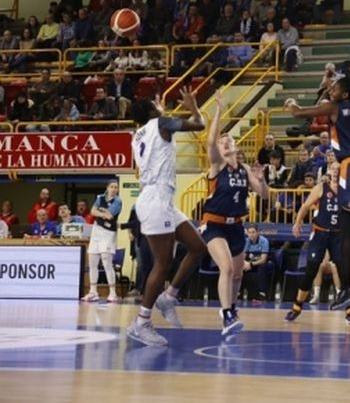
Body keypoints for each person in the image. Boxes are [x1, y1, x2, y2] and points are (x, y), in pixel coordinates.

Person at [284, 73, 350, 314]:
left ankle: (346, 289)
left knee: (345, 230)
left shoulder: (335, 106)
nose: (331, 89)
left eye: (335, 88)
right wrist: (334, 88)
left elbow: (299, 114)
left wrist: (291, 104)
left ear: (344, 94)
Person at [128, 88, 208, 347]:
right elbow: (199, 125)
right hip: (156, 198)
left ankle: (169, 296)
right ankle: (142, 322)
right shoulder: (161, 123)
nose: (158, 104)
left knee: (197, 247)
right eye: (155, 103)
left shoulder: (138, 134)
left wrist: (162, 112)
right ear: (152, 110)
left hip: (161, 198)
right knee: (162, 263)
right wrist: (193, 107)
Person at [203, 94, 268, 336]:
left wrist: (262, 180)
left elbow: (263, 194)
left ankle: (232, 307)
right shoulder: (217, 165)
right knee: (227, 269)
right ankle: (227, 314)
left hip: (236, 226)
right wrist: (219, 112)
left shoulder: (245, 169)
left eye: (229, 140)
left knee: (238, 273)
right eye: (223, 141)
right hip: (214, 224)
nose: (225, 142)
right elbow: (210, 141)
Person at [285, 162, 350, 324]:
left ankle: (349, 311)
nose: (336, 171)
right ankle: (297, 307)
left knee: (344, 271)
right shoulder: (320, 188)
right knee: (311, 269)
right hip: (320, 233)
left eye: (339, 169)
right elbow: (305, 206)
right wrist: (297, 223)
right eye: (333, 169)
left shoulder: (348, 190)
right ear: (329, 171)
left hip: (338, 235)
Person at [81, 181, 123, 303]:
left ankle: (113, 293)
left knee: (106, 262)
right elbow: (93, 211)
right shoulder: (100, 197)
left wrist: (100, 212)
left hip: (108, 232)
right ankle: (93, 292)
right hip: (96, 230)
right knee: (92, 262)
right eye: (112, 187)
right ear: (107, 188)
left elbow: (109, 215)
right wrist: (102, 212)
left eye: (116, 187)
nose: (114, 189)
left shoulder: (118, 201)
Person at [241, 226, 270, 303]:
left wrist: (251, 264)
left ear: (258, 233)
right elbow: (243, 257)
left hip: (260, 263)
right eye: (249, 233)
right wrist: (244, 264)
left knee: (262, 267)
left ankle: (262, 294)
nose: (251, 235)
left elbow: (263, 259)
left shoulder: (264, 241)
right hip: (250, 262)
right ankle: (238, 293)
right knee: (239, 267)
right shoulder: (246, 241)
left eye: (253, 232)